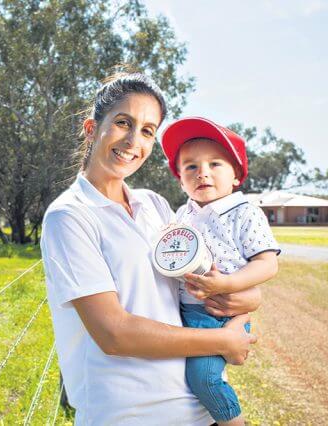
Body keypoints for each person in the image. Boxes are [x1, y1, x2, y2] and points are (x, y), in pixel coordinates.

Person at [41, 72, 262, 425]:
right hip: (129, 415)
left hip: (196, 408)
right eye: (122, 123)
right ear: (91, 129)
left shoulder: (155, 206)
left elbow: (195, 286)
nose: (133, 141)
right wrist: (221, 340)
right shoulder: (69, 217)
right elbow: (114, 333)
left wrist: (248, 300)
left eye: (147, 130)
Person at [160, 118, 280, 425]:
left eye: (215, 163)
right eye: (190, 167)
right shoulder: (181, 214)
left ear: (236, 175)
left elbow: (268, 263)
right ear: (180, 180)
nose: (202, 172)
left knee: (204, 379)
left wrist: (226, 283)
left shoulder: (245, 212)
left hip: (217, 315)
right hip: (182, 313)